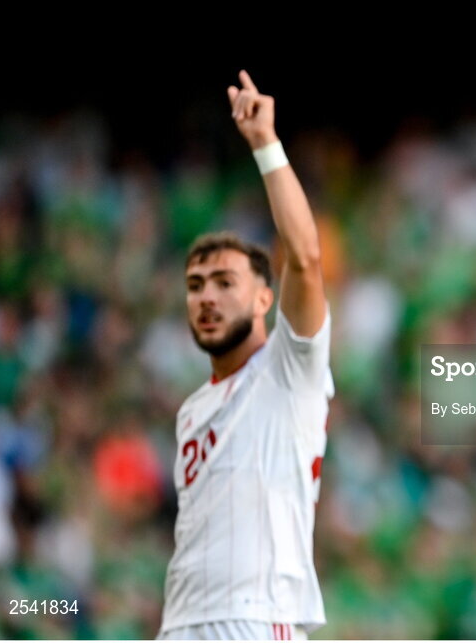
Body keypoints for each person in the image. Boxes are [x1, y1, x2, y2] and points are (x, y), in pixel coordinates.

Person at [157, 71, 332, 641]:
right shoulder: (190, 410)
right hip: (181, 624)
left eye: (224, 282)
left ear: (264, 297)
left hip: (258, 621)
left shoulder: (289, 369)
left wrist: (265, 145)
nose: (206, 295)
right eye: (195, 284)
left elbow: (304, 258)